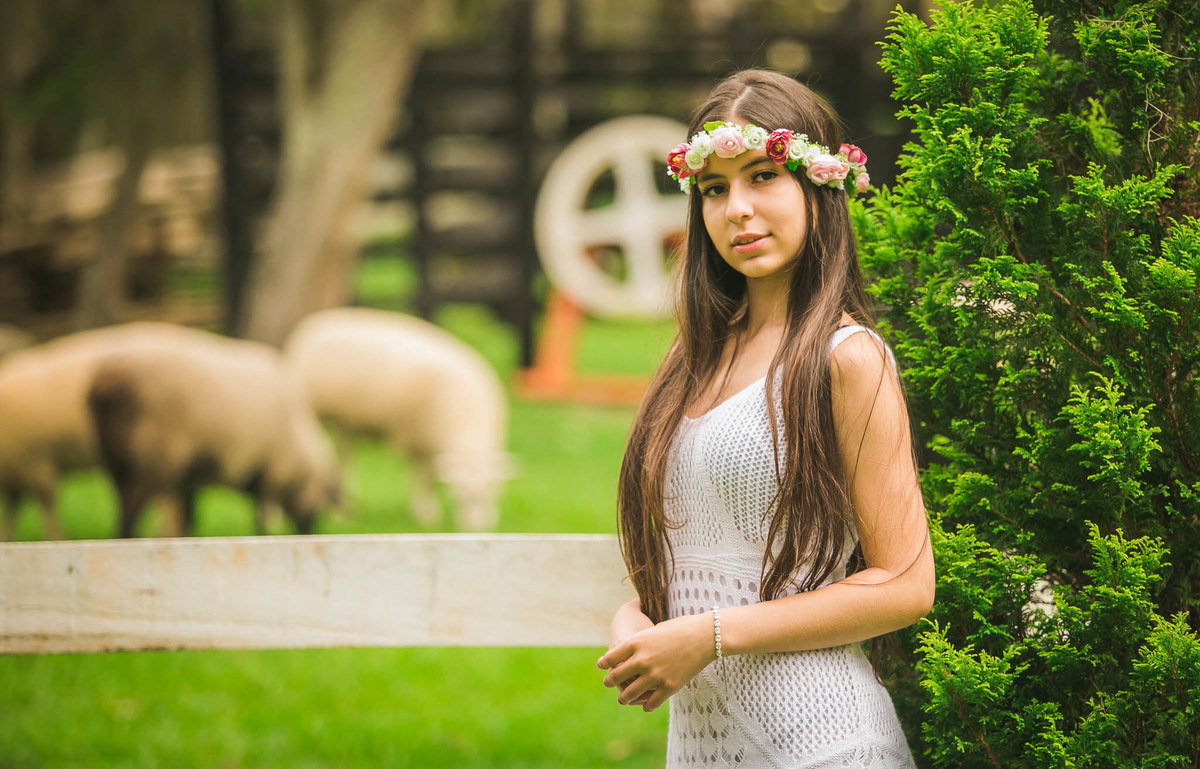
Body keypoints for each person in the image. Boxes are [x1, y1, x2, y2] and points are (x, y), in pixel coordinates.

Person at [597, 69, 934, 768]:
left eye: (761, 177)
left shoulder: (849, 358)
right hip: (706, 747)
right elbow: (714, 544)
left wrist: (709, 635)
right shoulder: (692, 362)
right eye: (714, 189)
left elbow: (906, 583)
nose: (737, 209)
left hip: (824, 740)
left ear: (820, 187)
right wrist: (641, 615)